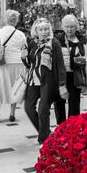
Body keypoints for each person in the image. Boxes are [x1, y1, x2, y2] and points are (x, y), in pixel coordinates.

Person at [22, 18, 68, 146]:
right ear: (36, 31)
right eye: (41, 29)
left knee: (43, 109)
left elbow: (60, 65)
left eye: (46, 29)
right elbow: (29, 64)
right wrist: (23, 58)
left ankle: (43, 138)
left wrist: (62, 84)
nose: (44, 31)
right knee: (28, 107)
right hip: (33, 79)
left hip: (48, 81)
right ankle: (46, 131)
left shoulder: (54, 43)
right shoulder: (32, 43)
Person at [0, 10, 27, 123]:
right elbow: (24, 49)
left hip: (1, 63)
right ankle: (12, 114)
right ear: (16, 21)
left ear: (4, 19)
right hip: (17, 63)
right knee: (15, 88)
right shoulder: (20, 34)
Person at [55, 14, 86, 117]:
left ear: (76, 27)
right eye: (67, 26)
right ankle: (61, 125)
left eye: (72, 26)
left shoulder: (82, 40)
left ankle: (73, 126)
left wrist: (79, 61)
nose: (69, 29)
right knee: (59, 101)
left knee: (74, 101)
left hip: (75, 75)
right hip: (61, 75)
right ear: (63, 27)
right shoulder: (57, 40)